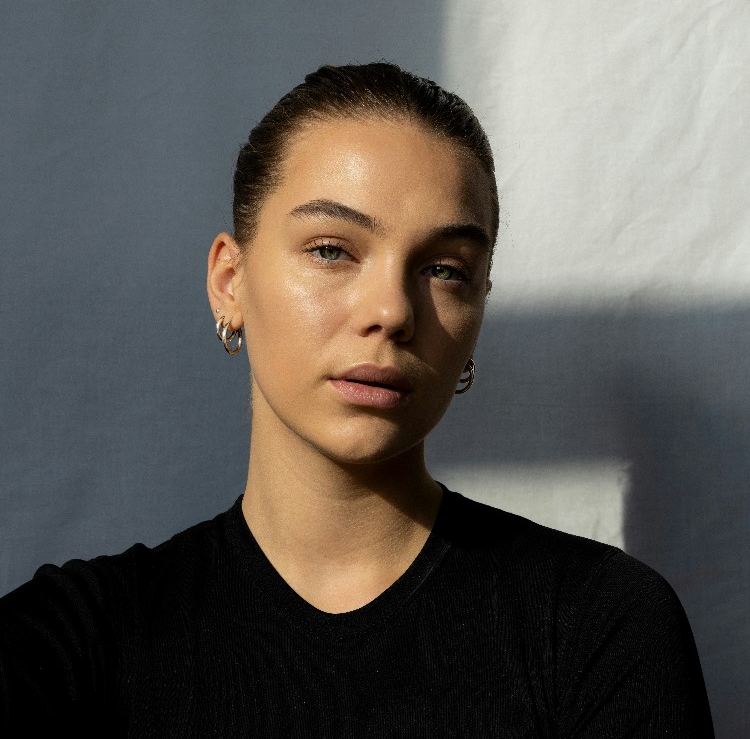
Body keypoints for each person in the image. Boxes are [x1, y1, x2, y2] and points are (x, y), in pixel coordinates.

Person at [0, 62, 713, 737]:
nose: (392, 311)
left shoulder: (597, 627)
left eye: (444, 270)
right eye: (332, 250)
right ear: (230, 281)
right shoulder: (72, 643)